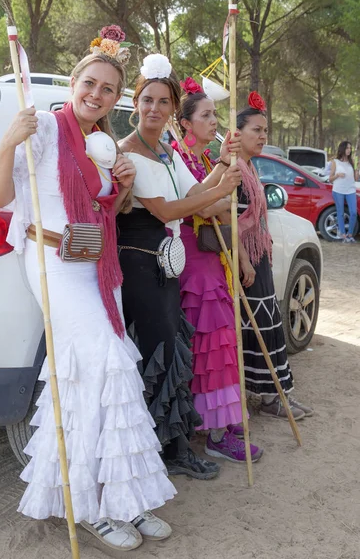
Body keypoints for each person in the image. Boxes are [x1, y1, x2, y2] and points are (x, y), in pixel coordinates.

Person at [0, 27, 176, 552]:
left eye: (109, 89)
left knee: (101, 375)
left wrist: (123, 188)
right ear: (74, 83)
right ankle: (84, 504)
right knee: (103, 360)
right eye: (90, 83)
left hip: (97, 263)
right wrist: (6, 142)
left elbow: (100, 212)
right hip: (52, 262)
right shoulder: (42, 126)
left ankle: (121, 499)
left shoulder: (106, 145)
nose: (97, 94)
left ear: (117, 98)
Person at [117, 54, 242, 479]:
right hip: (140, 266)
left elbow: (195, 190)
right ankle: (164, 452)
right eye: (147, 100)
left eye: (163, 102)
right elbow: (168, 208)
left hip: (165, 265)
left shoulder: (166, 151)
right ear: (136, 103)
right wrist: (220, 190)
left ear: (173, 109)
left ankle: (171, 449)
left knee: (173, 351)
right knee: (159, 353)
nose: (154, 108)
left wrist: (223, 163)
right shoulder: (128, 153)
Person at [172, 77, 263, 463]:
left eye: (214, 113)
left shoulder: (205, 158)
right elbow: (201, 207)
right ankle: (215, 432)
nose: (214, 122)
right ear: (186, 123)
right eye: (206, 115)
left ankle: (222, 417)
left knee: (223, 345)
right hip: (195, 266)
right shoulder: (177, 156)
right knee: (210, 348)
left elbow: (220, 211)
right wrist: (225, 176)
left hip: (215, 259)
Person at [236, 92, 313, 420]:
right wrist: (242, 259)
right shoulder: (232, 168)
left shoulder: (249, 166)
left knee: (268, 324)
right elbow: (228, 220)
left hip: (257, 257)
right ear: (237, 132)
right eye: (257, 129)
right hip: (246, 262)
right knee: (256, 325)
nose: (263, 136)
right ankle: (269, 396)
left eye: (265, 130)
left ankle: (275, 394)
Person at [329, 141, 357, 243]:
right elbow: (330, 179)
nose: (349, 150)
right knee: (340, 213)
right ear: (342, 149)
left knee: (353, 212)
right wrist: (337, 175)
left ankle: (350, 234)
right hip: (338, 190)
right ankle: (343, 235)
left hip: (350, 190)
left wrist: (356, 170)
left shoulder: (351, 161)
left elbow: (355, 178)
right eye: (347, 148)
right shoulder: (335, 162)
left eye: (350, 148)